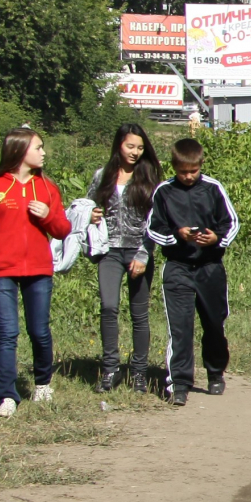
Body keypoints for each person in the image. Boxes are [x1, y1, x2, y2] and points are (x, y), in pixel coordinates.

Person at [0, 127, 73, 418]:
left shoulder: (47, 188)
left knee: (39, 331)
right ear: (19, 150)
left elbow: (63, 230)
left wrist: (47, 215)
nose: (43, 152)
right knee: (6, 334)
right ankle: (6, 396)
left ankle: (42, 383)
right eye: (38, 147)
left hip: (38, 270)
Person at [145, 137, 240, 405]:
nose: (188, 176)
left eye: (193, 171)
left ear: (200, 166)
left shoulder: (213, 188)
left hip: (210, 267)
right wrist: (178, 235)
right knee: (180, 327)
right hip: (178, 267)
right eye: (183, 171)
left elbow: (231, 223)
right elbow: (153, 227)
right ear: (174, 167)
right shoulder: (163, 192)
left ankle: (215, 373)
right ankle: (180, 383)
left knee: (214, 324)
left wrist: (216, 239)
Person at [85, 124, 162, 393]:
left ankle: (139, 372)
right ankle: (110, 370)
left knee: (139, 313)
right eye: (130, 146)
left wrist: (144, 254)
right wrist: (92, 215)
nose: (135, 152)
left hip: (138, 252)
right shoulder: (102, 175)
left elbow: (157, 221)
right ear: (119, 144)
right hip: (109, 252)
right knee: (108, 307)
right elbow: (88, 205)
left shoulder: (150, 177)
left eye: (140, 148)